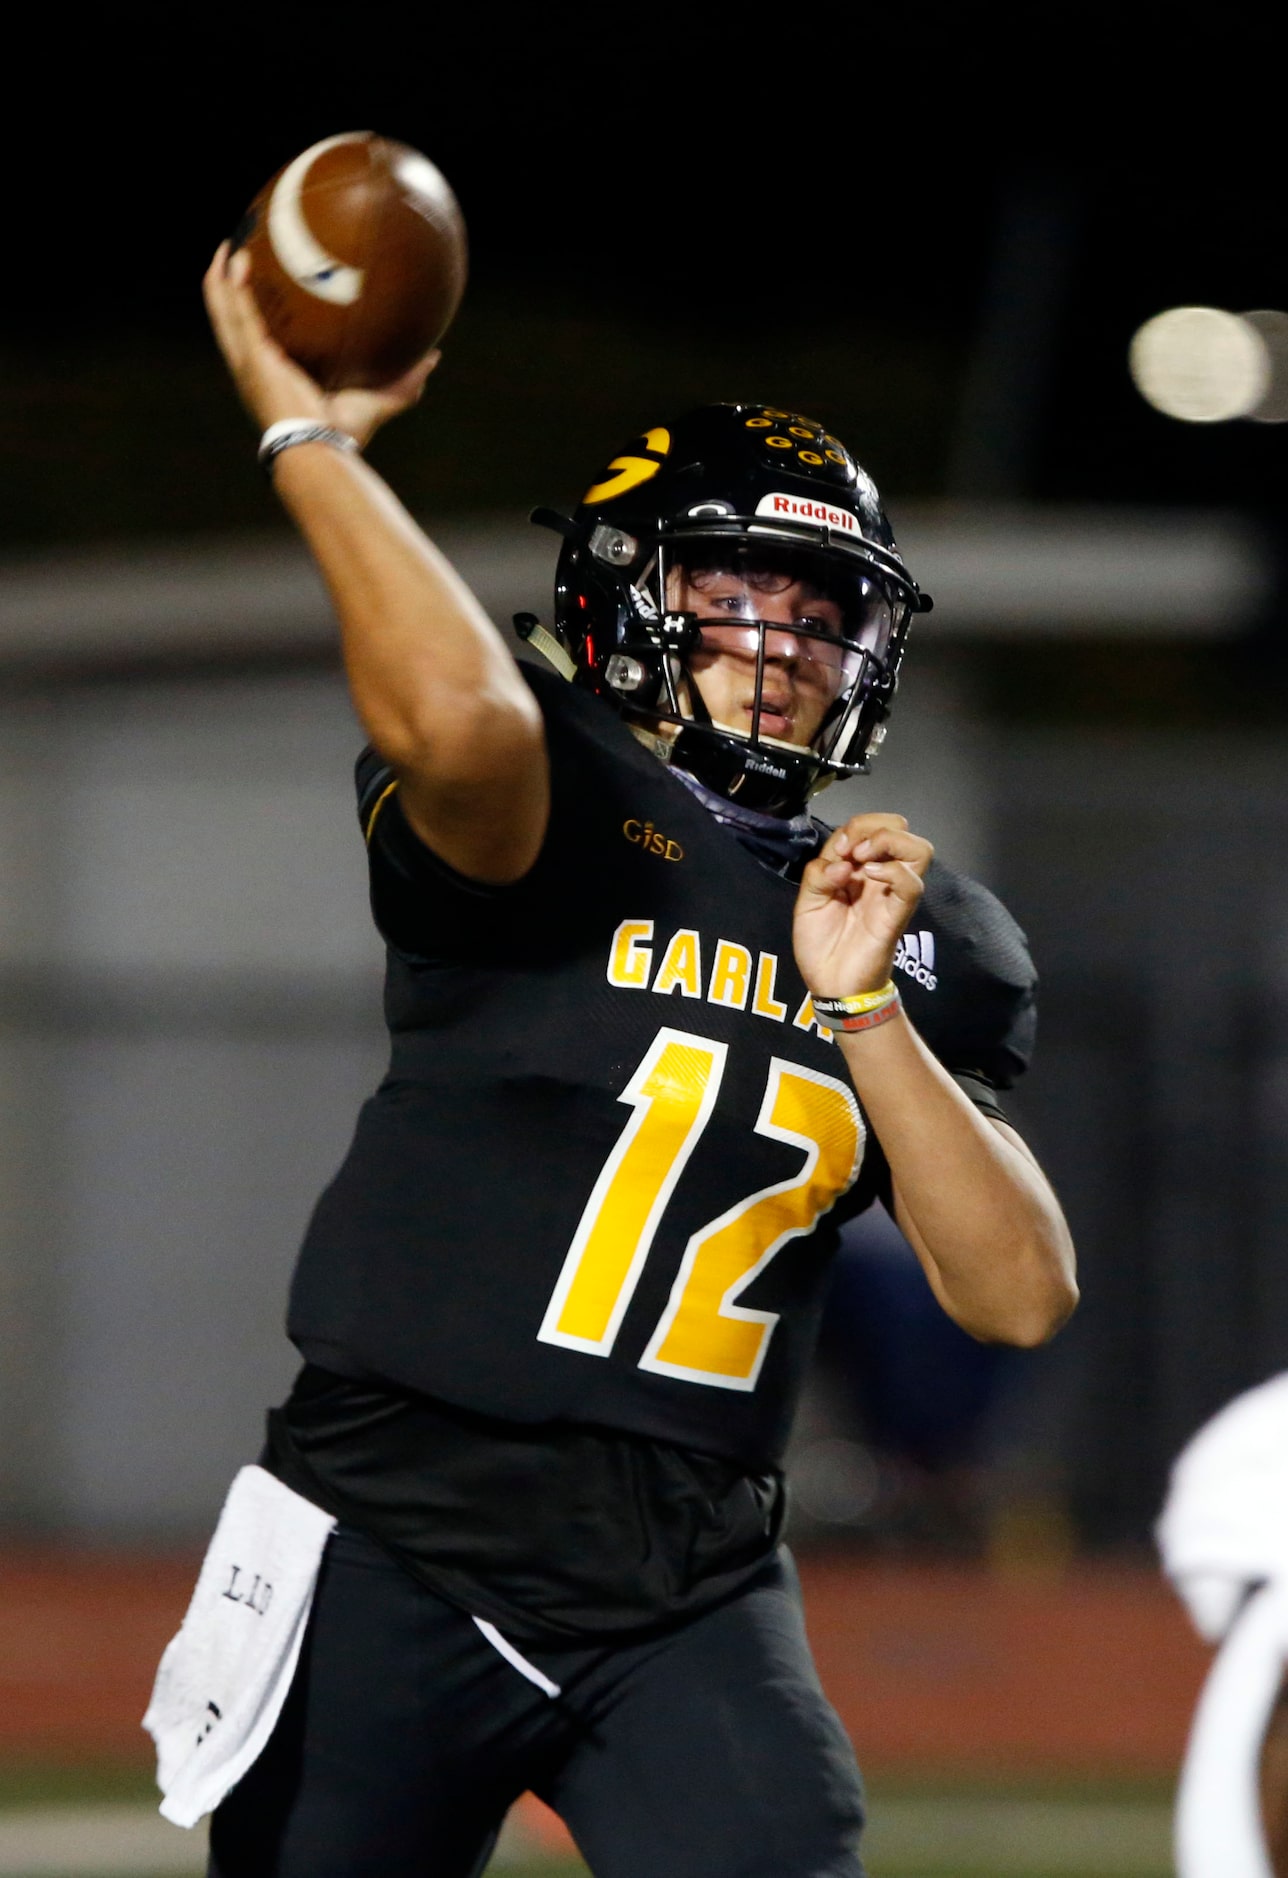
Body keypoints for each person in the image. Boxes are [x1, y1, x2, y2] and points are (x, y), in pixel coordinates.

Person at [178, 243, 1078, 1878]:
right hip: (401, 1529)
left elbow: (1017, 1292)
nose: (785, 640)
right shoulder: (554, 791)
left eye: (825, 610)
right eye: (736, 587)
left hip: (689, 1580)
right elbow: (453, 722)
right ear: (622, 591)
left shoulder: (915, 920)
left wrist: (864, 1008)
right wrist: (314, 443)